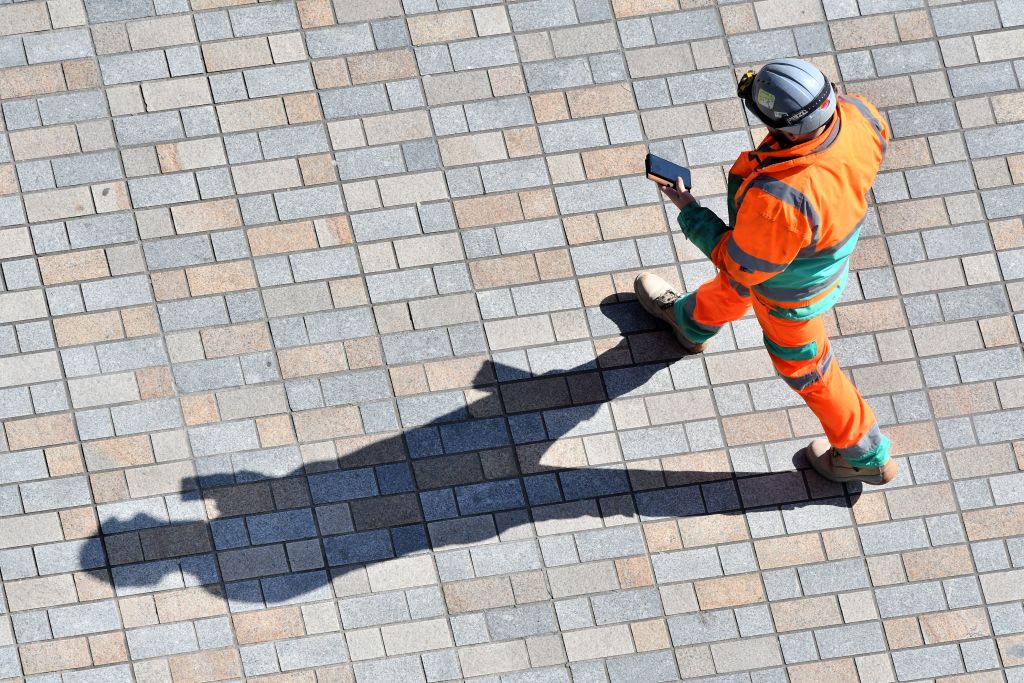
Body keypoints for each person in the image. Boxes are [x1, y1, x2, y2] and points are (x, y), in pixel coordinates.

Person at [634, 58, 897, 486]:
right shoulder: (859, 114)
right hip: (804, 256)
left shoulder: (781, 202)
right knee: (738, 285)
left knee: (810, 370)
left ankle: (865, 456)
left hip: (790, 294)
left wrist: (689, 210)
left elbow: (739, 261)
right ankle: (690, 324)